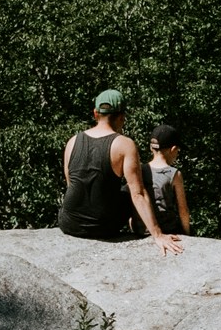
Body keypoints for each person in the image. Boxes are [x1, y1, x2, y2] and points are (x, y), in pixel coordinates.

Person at [58, 88, 181, 250]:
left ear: (95, 113)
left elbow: (71, 183)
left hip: (68, 223)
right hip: (103, 228)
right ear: (122, 117)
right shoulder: (124, 144)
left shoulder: (73, 141)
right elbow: (138, 194)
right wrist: (158, 235)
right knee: (131, 187)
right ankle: (142, 229)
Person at [146, 124, 191, 237]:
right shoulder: (175, 174)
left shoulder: (139, 170)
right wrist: (187, 233)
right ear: (173, 149)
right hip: (167, 230)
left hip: (144, 229)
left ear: (151, 147)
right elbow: (183, 210)